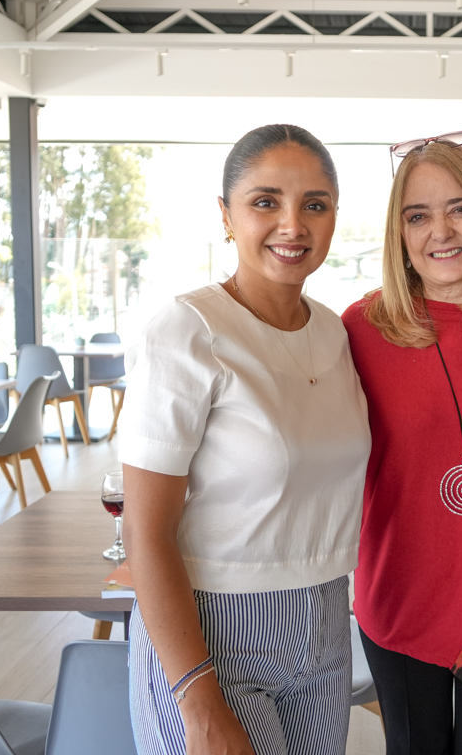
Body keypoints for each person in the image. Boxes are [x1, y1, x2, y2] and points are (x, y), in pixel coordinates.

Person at [119, 124, 371, 755]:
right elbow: (145, 533)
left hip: (325, 622)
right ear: (226, 216)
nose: (293, 225)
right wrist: (198, 699)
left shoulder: (337, 333)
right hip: (210, 633)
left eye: (315, 204)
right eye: (265, 202)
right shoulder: (187, 329)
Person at [341, 133, 462, 755]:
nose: (441, 231)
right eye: (418, 216)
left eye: (460, 208)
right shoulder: (361, 329)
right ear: (399, 234)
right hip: (399, 593)